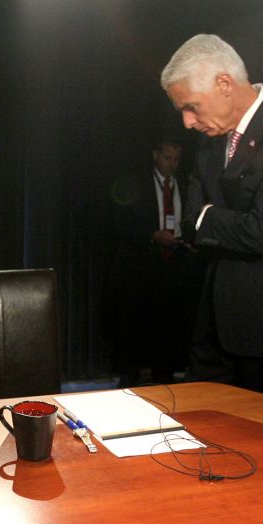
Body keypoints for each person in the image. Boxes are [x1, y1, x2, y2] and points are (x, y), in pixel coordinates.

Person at [161, 34, 263, 402]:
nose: (187, 123)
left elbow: (261, 232)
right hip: (213, 323)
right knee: (199, 438)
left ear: (224, 84)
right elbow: (190, 221)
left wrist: (208, 218)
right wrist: (210, 220)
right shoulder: (209, 138)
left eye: (191, 107)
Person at [108, 136, 202, 386]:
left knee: (169, 326)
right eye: (167, 157)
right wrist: (152, 235)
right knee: (133, 325)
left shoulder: (185, 181)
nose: (173, 164)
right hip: (140, 265)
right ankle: (129, 379)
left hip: (174, 265)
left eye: (177, 159)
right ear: (155, 155)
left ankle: (166, 377)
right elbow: (119, 223)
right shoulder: (135, 181)